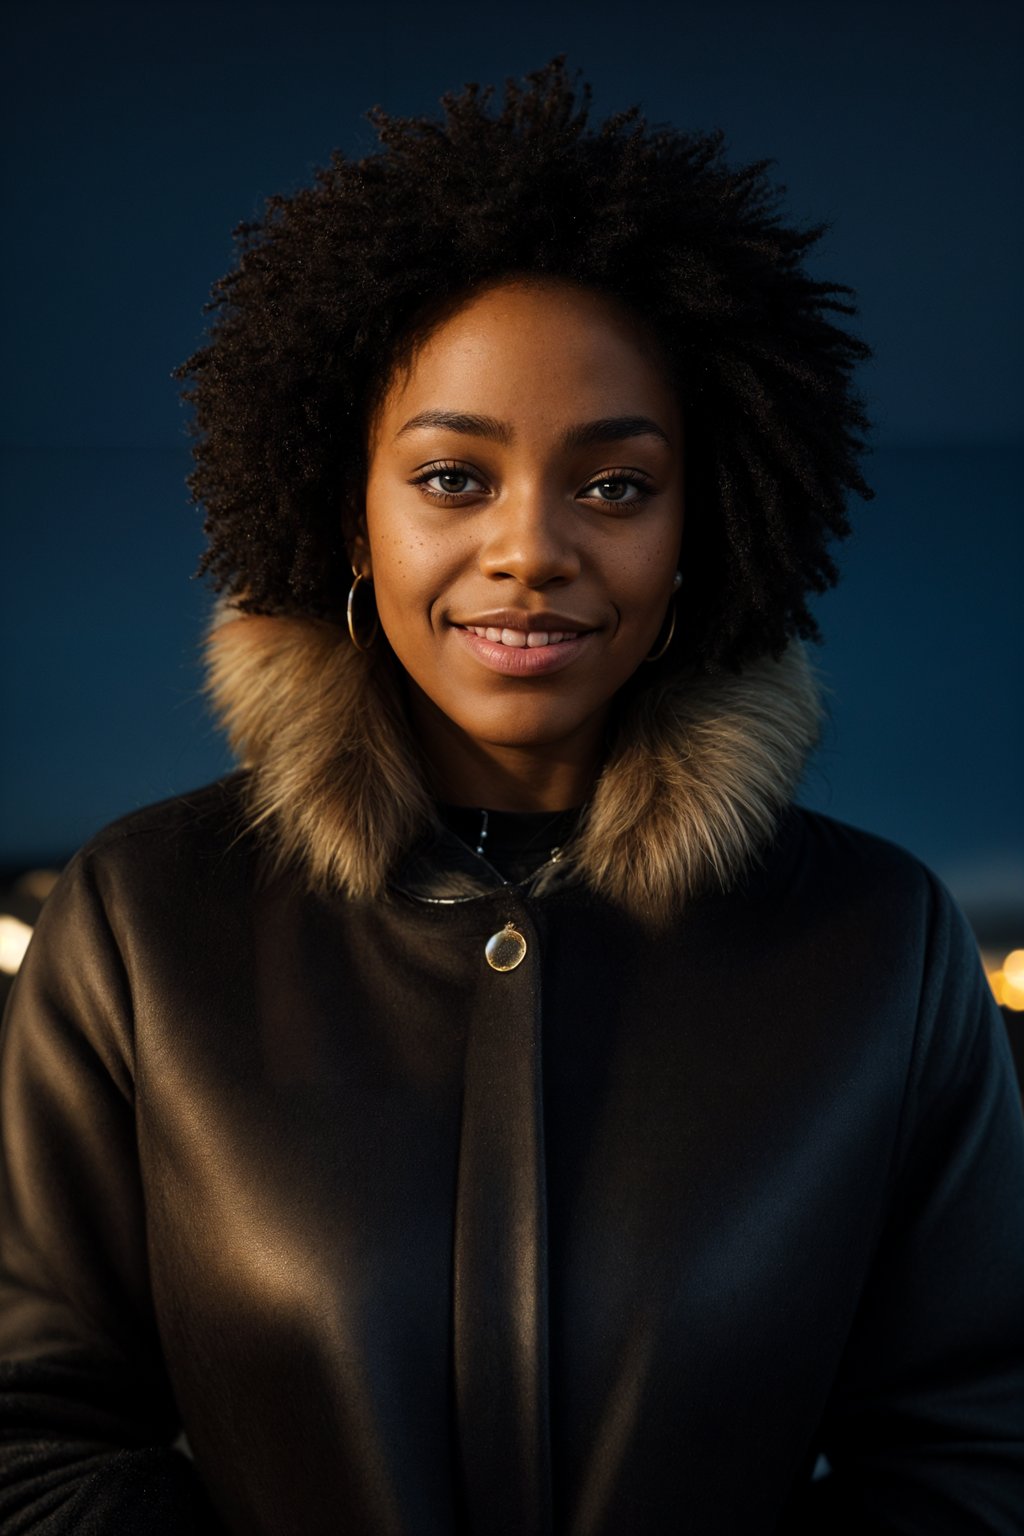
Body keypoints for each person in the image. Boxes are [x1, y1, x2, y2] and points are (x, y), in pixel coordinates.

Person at [0, 56, 1021, 1536]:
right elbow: (34, 1441)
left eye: (615, 486)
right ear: (345, 509)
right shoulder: (142, 921)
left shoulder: (882, 946)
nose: (531, 547)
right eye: (452, 479)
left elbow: (973, 1458)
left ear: (705, 529)